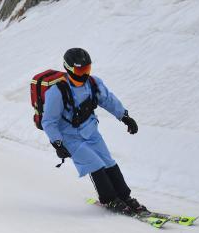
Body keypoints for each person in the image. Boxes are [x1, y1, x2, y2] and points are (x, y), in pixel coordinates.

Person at [41, 47, 145, 214]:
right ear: (69, 68)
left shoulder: (93, 83)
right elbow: (48, 121)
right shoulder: (58, 91)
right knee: (95, 164)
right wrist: (57, 143)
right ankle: (110, 199)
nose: (84, 74)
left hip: (91, 131)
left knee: (108, 161)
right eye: (80, 70)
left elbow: (108, 100)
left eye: (87, 69)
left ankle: (125, 196)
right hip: (70, 138)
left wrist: (124, 117)